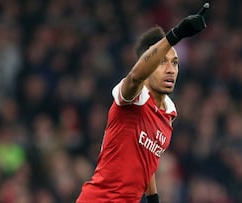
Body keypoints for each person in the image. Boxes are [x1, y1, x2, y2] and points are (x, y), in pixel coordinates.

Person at [76, 3, 210, 203]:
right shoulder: (132, 97)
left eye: (174, 63)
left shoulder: (169, 113)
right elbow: (136, 76)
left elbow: (146, 158)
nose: (171, 70)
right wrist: (177, 34)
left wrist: (153, 197)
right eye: (162, 62)